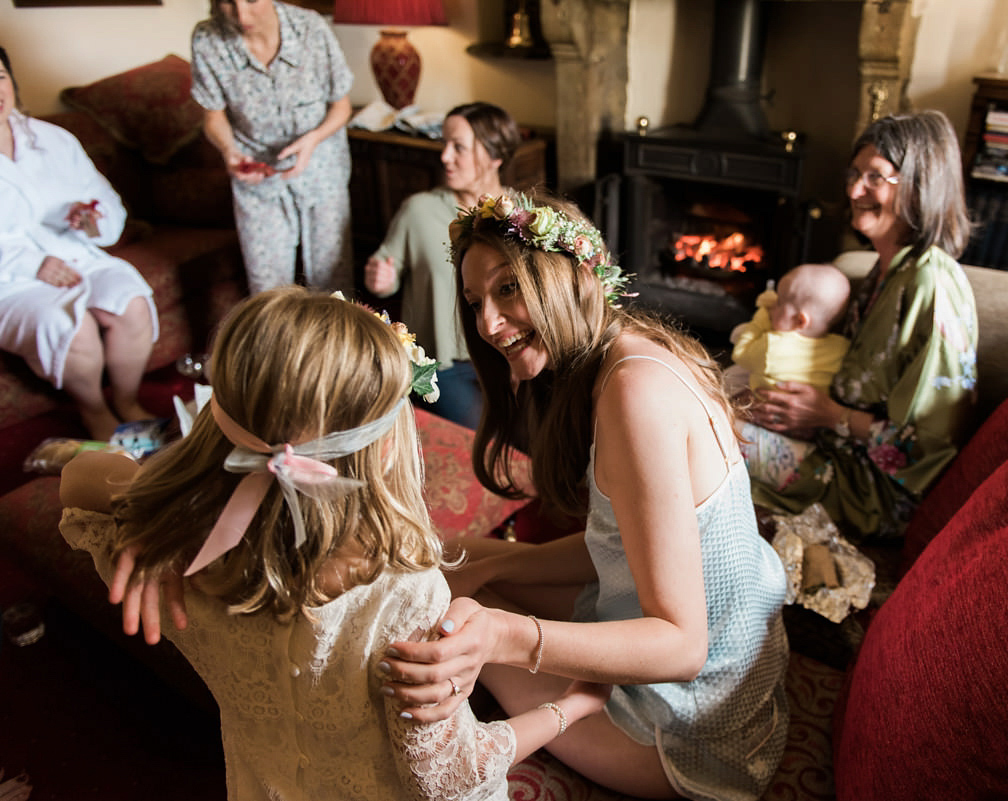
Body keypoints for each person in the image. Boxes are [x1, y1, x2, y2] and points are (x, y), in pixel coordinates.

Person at [59, 286, 609, 800]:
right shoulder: (403, 595)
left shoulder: (167, 551)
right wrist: (570, 708)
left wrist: (155, 517)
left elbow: (80, 477)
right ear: (387, 449)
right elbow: (445, 777)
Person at [376, 190, 790, 801]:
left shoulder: (633, 396)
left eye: (508, 288)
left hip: (691, 738)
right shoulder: (638, 350)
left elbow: (681, 645)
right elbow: (621, 544)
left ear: (569, 275)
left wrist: (501, 633)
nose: (488, 324)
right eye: (475, 302)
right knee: (455, 564)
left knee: (426, 611)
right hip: (735, 690)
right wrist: (486, 557)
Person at [740, 109, 978, 543]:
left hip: (870, 489)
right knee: (709, 404)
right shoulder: (880, 272)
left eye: (875, 177)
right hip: (829, 446)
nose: (853, 190)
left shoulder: (933, 285)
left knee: (701, 429)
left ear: (920, 185)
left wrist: (830, 415)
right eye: (854, 174)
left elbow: (929, 447)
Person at [0, 46, 158, 442]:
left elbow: (108, 206)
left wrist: (91, 221)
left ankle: (126, 399)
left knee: (132, 302)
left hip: (77, 255)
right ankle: (95, 412)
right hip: (10, 280)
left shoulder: (54, 140)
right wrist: (33, 264)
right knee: (74, 328)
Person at [363, 102, 522, 429]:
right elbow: (384, 274)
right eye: (444, 144)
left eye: (458, 147)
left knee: (536, 433)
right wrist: (380, 281)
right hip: (442, 367)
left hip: (511, 354)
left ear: (494, 156)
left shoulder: (526, 215)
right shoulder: (418, 211)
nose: (444, 156)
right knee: (484, 435)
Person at [191, 0, 354, 294]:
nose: (241, 14)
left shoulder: (310, 28)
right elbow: (213, 116)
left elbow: (341, 107)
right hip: (256, 176)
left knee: (332, 283)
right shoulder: (207, 39)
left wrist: (313, 139)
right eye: (228, 2)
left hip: (320, 166)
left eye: (252, 0)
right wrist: (229, 150)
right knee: (267, 292)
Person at [728, 262, 852, 394]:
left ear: (800, 321)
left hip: (765, 409)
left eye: (779, 302)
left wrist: (761, 316)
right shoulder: (842, 348)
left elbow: (740, 354)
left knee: (729, 379)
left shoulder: (771, 347)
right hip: (813, 412)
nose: (773, 304)